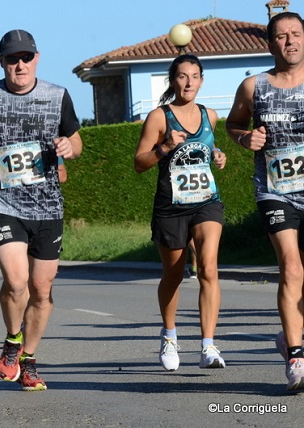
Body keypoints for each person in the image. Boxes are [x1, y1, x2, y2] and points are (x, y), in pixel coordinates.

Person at [0, 29, 82, 391]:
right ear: (1, 62)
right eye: (12, 59)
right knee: (16, 281)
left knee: (41, 290)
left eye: (26, 57)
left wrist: (69, 147)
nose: (20, 65)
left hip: (47, 205)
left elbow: (76, 140)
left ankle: (28, 359)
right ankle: (13, 340)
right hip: (2, 199)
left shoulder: (57, 95)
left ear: (36, 58)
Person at [225, 11, 304, 391]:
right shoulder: (253, 87)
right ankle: (296, 356)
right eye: (283, 36)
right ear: (271, 44)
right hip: (275, 191)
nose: (291, 41)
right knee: (291, 267)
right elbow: (233, 124)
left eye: (296, 34)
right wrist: (244, 138)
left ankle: (290, 335)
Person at [134, 54, 227, 372]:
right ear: (173, 81)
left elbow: (207, 148)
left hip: (206, 202)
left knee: (209, 269)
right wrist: (164, 147)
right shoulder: (159, 117)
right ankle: (170, 336)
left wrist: (218, 155)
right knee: (173, 275)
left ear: (202, 80)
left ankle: (208, 345)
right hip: (171, 207)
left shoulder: (210, 115)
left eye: (194, 76)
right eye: (182, 76)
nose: (189, 83)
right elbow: (139, 163)